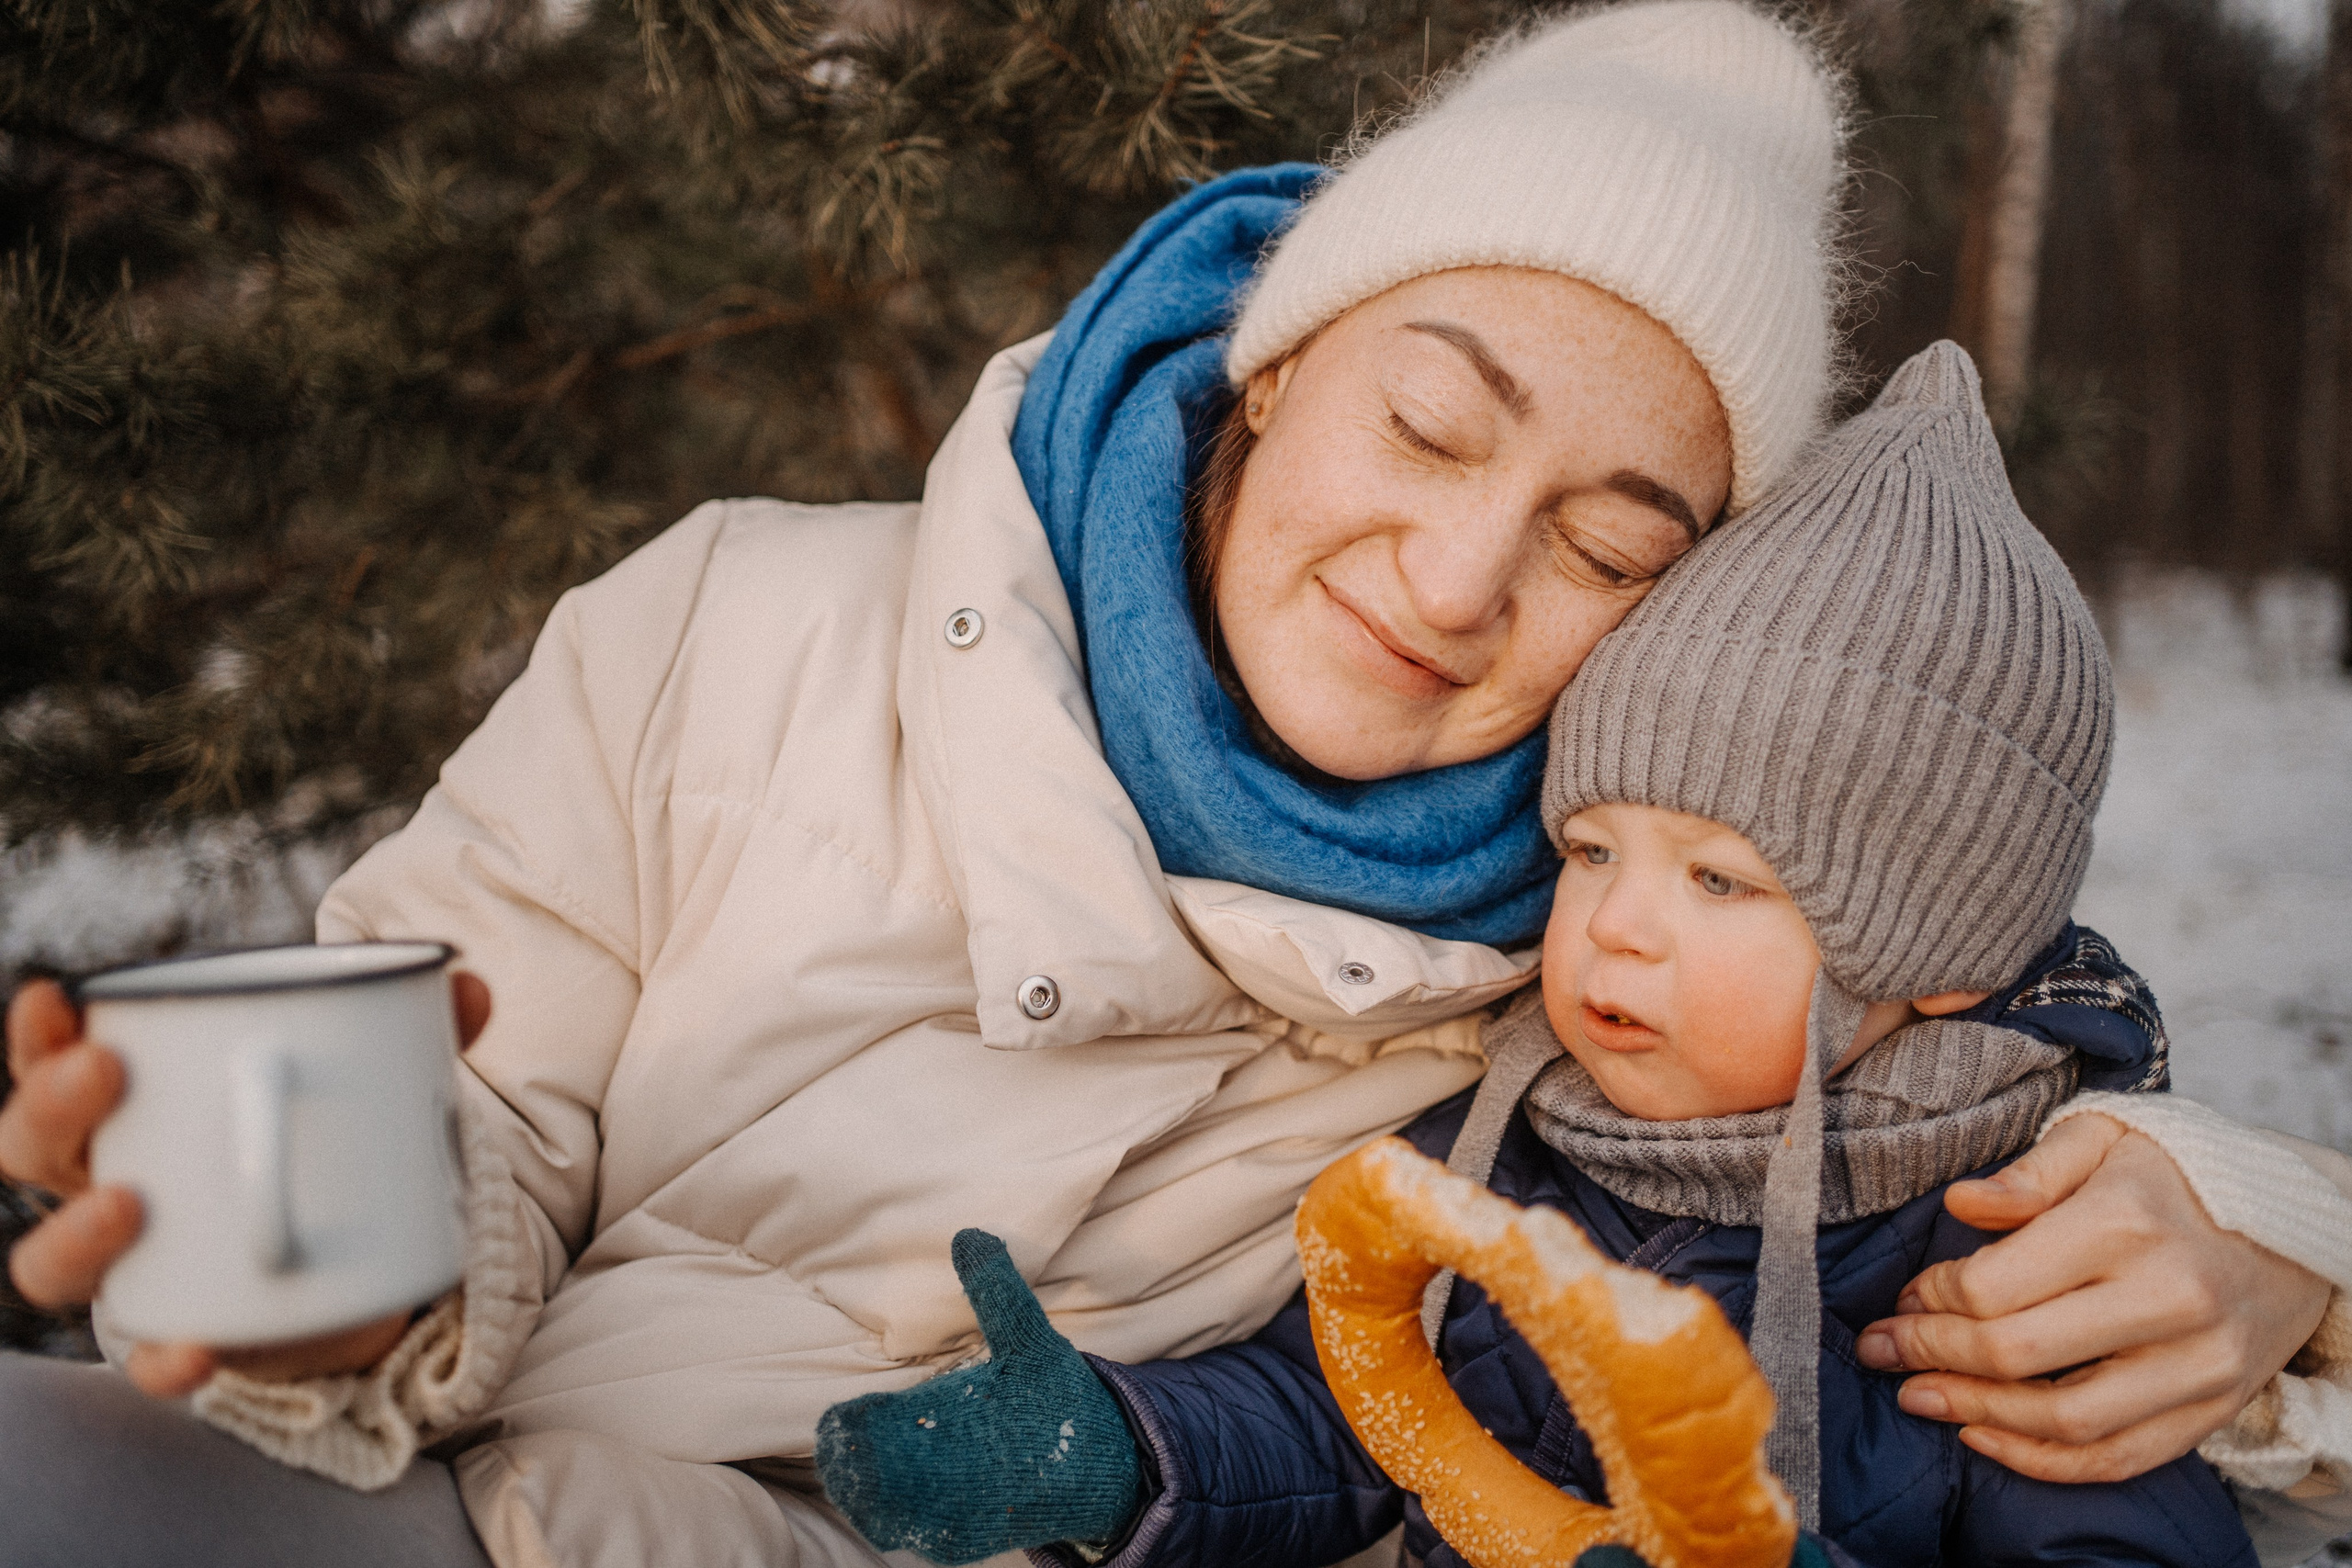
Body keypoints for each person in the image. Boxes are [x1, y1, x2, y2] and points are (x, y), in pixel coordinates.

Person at [0, 6, 2344, 1567]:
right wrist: (312, 1244)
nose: (1454, 571)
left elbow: (1964, 1011)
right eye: (1427, 425)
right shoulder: (727, 622)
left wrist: (2270, 1232)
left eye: (1607, 546)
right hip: (439, 1498)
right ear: (1271, 359)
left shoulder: (1596, 935)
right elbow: (460, 1084)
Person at [810, 343, 2273, 1567]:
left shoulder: (2000, 1261)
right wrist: (1119, 1451)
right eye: (1591, 851)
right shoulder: (1506, 1154)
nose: (1618, 923)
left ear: (1937, 952)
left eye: (1719, 879)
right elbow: (1335, 1414)